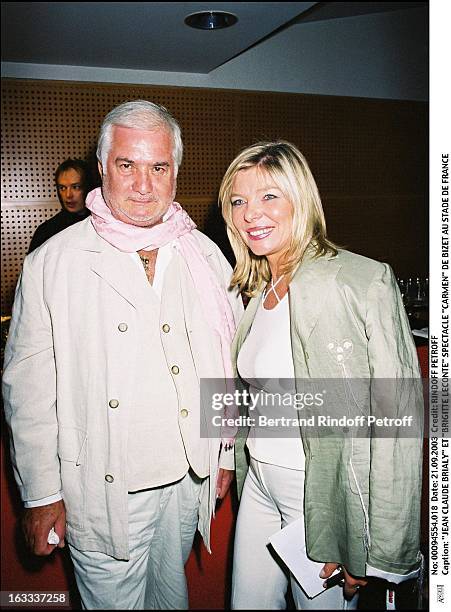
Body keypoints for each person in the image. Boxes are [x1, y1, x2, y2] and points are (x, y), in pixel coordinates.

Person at [3, 100, 243, 610]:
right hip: (103, 484)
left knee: (170, 596)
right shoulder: (53, 262)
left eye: (158, 167)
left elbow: (226, 367)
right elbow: (28, 389)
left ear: (175, 172)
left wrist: (223, 453)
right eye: (127, 165)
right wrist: (42, 494)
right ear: (103, 167)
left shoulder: (205, 254)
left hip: (185, 478)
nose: (143, 184)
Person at [219, 141, 423, 609]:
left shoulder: (358, 280)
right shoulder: (256, 294)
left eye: (269, 196)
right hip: (261, 484)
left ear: (301, 199)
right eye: (238, 200)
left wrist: (373, 549)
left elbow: (398, 422)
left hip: (321, 494)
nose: (252, 213)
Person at [28, 158, 92, 253]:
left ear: (87, 187)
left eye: (75, 187)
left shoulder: (101, 225)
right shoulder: (46, 231)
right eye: (62, 188)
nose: (68, 195)